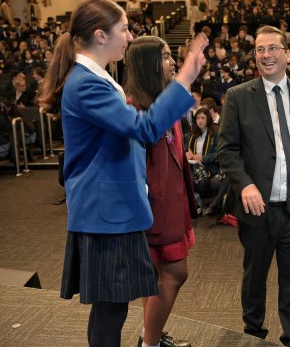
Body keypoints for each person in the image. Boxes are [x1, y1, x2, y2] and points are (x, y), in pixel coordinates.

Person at [37, 0, 208, 347]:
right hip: (106, 212)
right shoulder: (86, 83)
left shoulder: (94, 79)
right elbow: (143, 129)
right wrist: (185, 81)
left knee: (111, 310)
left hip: (114, 209)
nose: (129, 37)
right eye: (124, 29)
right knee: (110, 312)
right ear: (101, 35)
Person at [217, 25, 290, 347]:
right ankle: (253, 334)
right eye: (259, 50)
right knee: (254, 279)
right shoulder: (238, 97)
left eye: (272, 48)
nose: (265, 55)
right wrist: (244, 185)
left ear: (287, 54)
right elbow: (226, 150)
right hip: (257, 210)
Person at [124, 36, 197, 347]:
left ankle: (149, 335)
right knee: (175, 274)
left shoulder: (164, 100)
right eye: (166, 57)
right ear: (147, 64)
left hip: (171, 205)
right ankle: (150, 344)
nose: (173, 62)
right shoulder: (133, 108)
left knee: (154, 277)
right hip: (152, 210)